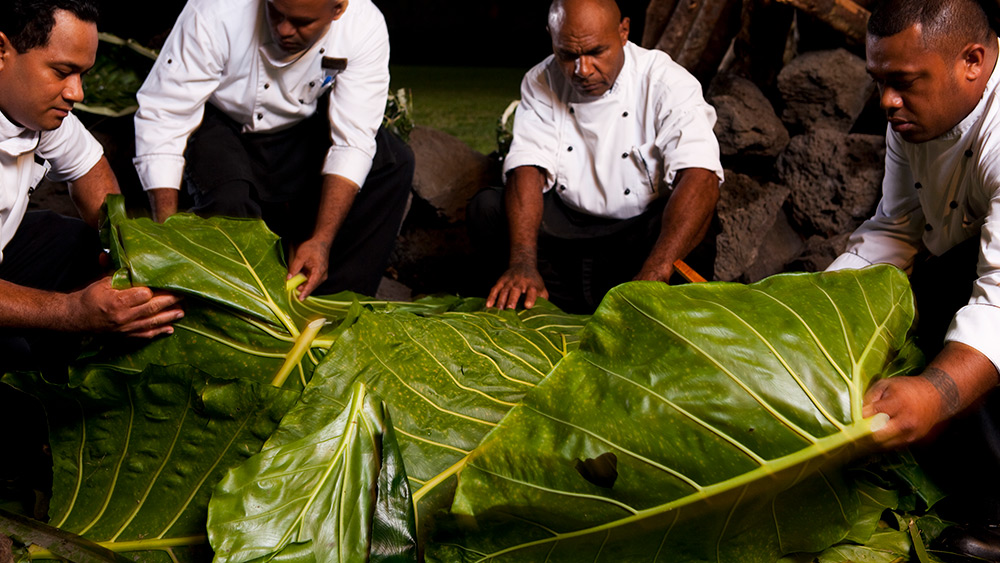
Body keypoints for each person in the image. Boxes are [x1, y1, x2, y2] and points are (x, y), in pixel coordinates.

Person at [827, 0, 1000, 556]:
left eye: (901, 82)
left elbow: (997, 304)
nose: (885, 102)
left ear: (971, 61)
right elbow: (897, 227)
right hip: (966, 257)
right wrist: (817, 306)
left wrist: (933, 393)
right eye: (878, 81)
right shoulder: (917, 116)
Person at [0, 0, 182, 518]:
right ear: (2, 51)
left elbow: (90, 170)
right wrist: (71, 312)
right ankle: (24, 464)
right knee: (19, 353)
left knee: (81, 245)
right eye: (62, 72)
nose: (77, 93)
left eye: (82, 74)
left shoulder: (32, 106)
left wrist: (128, 256)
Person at [133, 0, 413, 301]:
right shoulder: (214, 11)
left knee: (393, 161)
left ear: (338, 10)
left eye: (301, 22)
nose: (283, 30)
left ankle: (333, 307)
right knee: (231, 198)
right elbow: (166, 116)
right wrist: (167, 235)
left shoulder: (363, 24)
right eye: (275, 13)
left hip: (300, 126)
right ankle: (242, 311)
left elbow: (354, 140)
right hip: (218, 121)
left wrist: (321, 240)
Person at [468, 0, 722, 313]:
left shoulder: (666, 81)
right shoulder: (541, 80)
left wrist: (655, 274)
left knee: (697, 222)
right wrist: (522, 263)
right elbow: (526, 168)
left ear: (623, 31)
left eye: (595, 52)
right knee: (488, 209)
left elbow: (701, 176)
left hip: (639, 240)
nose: (582, 70)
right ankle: (532, 301)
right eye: (568, 55)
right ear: (552, 37)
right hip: (567, 237)